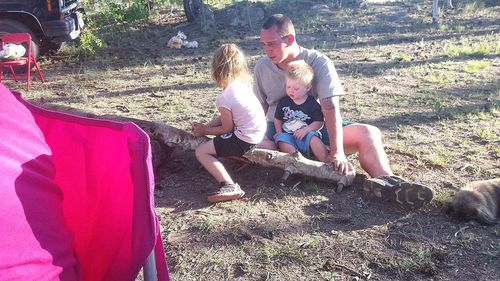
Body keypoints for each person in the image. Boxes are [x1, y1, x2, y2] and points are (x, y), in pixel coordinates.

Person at [253, 14, 434, 208]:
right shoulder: (262, 66)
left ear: (289, 39)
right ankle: (301, 161)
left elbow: (329, 107)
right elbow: (258, 106)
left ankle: (388, 184)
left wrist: (338, 151)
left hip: (316, 128)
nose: (267, 50)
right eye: (263, 44)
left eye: (271, 44)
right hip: (279, 132)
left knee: (369, 133)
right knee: (251, 141)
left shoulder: (318, 62)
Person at [192, 43, 266, 203]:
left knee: (201, 152)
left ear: (216, 70)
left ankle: (229, 185)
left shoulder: (224, 97)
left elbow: (227, 128)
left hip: (244, 139)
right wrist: (206, 126)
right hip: (258, 133)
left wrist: (204, 131)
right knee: (214, 142)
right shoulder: (242, 87)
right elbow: (229, 117)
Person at [274, 60, 328, 162]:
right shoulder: (284, 102)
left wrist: (306, 130)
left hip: (306, 135)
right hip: (288, 136)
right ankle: (297, 160)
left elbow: (319, 122)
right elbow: (277, 119)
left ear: (307, 87)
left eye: (296, 88)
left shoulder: (312, 104)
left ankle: (325, 161)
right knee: (281, 140)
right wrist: (279, 132)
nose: (291, 91)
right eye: (288, 87)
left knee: (313, 138)